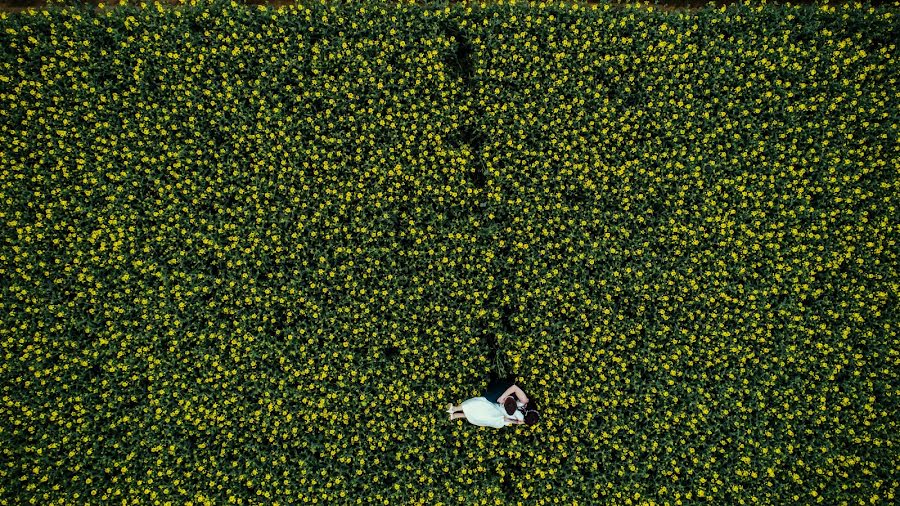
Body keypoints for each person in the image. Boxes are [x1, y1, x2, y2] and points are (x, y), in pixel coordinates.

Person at [445, 377, 540, 427]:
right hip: (504, 393)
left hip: (500, 408)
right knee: (483, 402)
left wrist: (515, 421)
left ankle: (456, 415)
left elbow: (506, 420)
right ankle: (455, 408)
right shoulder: (524, 400)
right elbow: (514, 387)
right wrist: (502, 398)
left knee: (486, 416)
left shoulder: (522, 418)